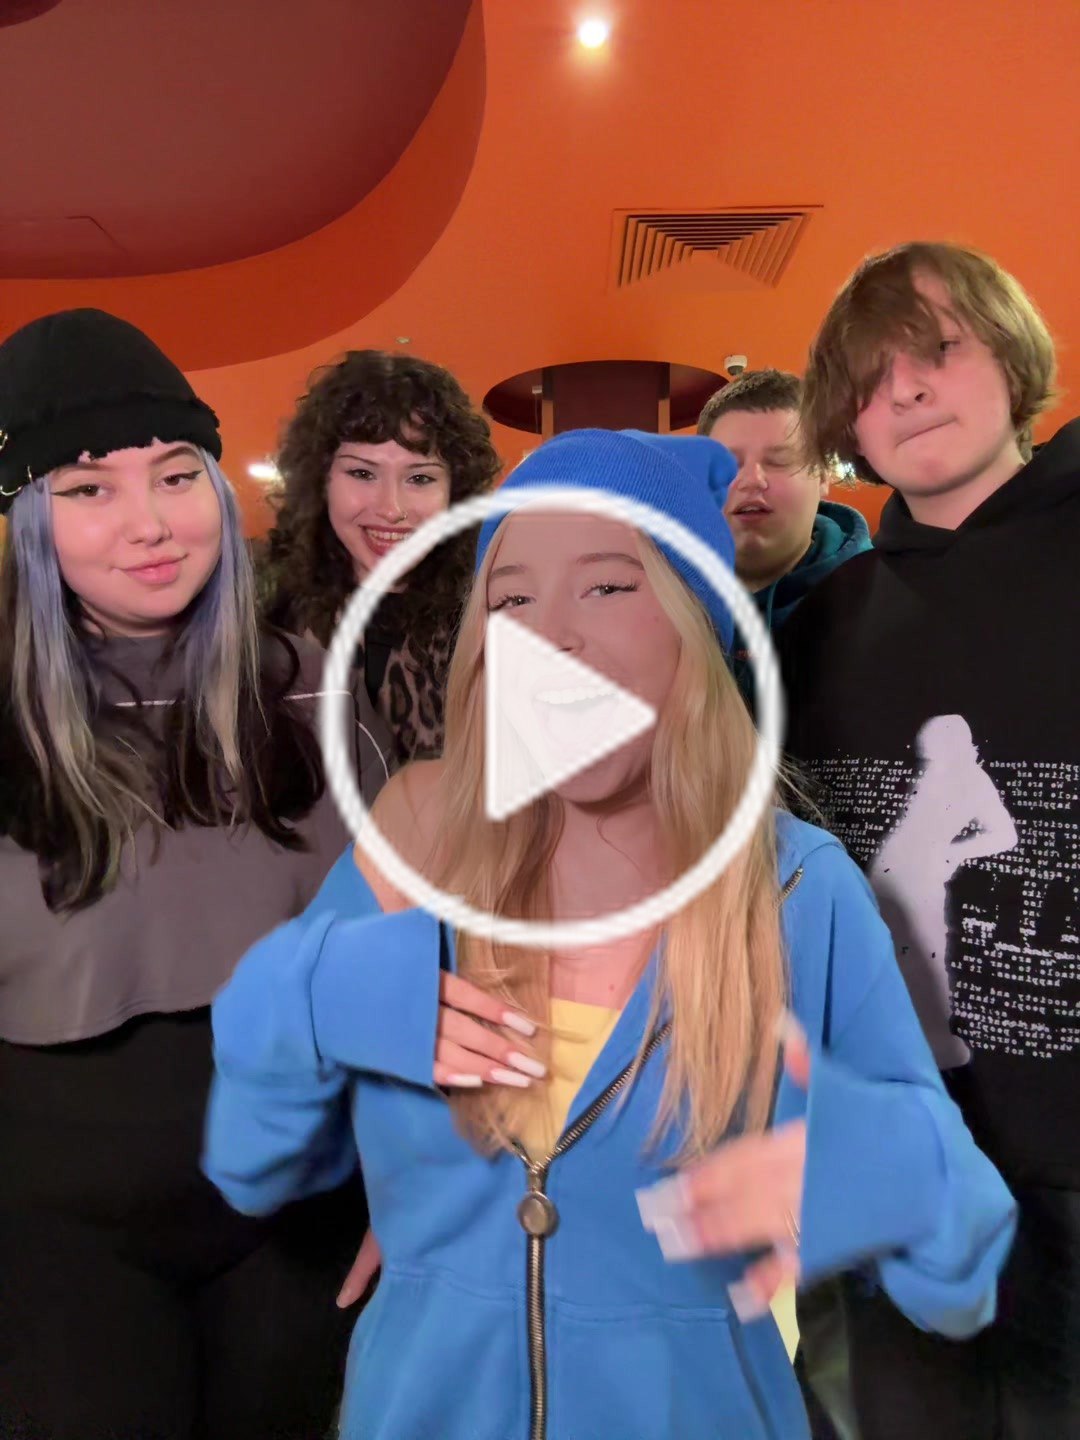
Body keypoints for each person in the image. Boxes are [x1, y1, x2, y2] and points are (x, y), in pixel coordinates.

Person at [204, 428, 1014, 1440]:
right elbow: (251, 1156)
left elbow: (960, 1274)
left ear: (692, 626)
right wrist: (313, 999)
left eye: (607, 586)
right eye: (511, 599)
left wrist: (880, 1171)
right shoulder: (416, 856)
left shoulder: (797, 891)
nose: (552, 636)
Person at [0, 308, 391, 1440]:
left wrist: (417, 1168)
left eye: (177, 475)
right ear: (25, 519)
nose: (150, 524)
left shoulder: (314, 684)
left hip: (300, 1203)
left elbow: (397, 953)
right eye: (88, 489)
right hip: (54, 1229)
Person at [779, 240, 1077, 1439]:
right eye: (868, 377)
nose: (902, 390)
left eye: (937, 350)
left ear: (1010, 356)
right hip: (896, 1145)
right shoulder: (821, 628)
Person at [258, 348, 501, 763]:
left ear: (455, 492)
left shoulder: (489, 622)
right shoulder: (271, 622)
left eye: (419, 478)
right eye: (362, 473)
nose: (391, 508)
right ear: (321, 480)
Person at [697, 368, 870, 704]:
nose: (751, 479)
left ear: (823, 475)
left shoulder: (882, 609)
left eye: (779, 461)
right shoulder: (664, 607)